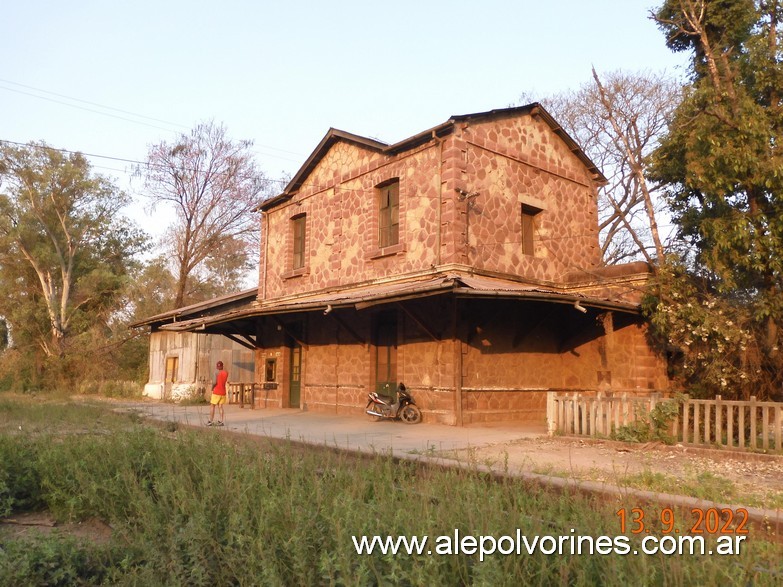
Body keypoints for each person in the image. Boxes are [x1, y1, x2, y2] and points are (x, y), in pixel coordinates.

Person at [208, 361, 228, 426]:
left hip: (216, 391)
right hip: (223, 392)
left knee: (212, 406)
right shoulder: (226, 373)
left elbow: (214, 382)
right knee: (220, 406)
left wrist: (212, 388)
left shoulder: (216, 372)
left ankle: (210, 421)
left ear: (217, 366)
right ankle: (221, 421)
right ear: (222, 366)